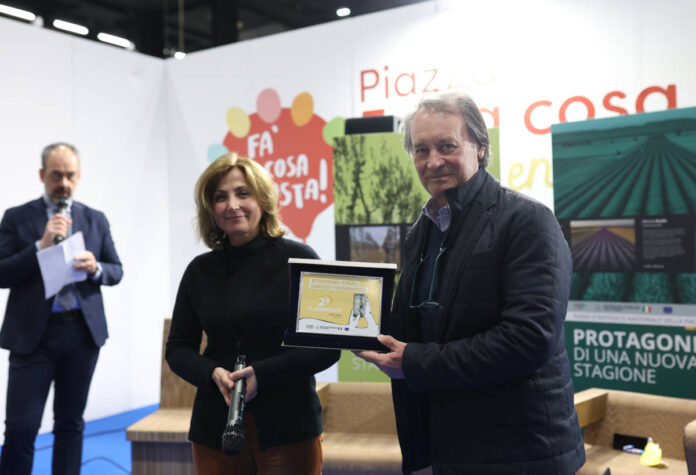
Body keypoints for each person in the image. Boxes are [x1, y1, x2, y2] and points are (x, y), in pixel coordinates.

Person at [356, 92, 586, 474]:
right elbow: (423, 325)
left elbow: (529, 339)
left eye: (446, 146)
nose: (433, 161)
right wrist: (349, 327)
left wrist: (414, 362)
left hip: (519, 454)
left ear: (480, 147)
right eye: (421, 150)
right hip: (446, 446)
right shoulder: (421, 231)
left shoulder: (527, 221)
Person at [166, 153, 340, 475]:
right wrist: (212, 373)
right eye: (221, 197)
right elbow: (177, 349)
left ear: (262, 198)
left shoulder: (301, 259)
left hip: (289, 426)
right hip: (215, 429)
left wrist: (263, 373)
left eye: (243, 193)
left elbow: (326, 348)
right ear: (211, 209)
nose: (232, 205)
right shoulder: (199, 271)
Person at [0, 142, 123, 475]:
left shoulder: (95, 219)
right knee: (21, 428)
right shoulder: (16, 217)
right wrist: (39, 247)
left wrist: (96, 268)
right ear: (42, 175)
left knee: (70, 424)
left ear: (79, 176)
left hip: (81, 335)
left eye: (70, 175)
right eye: (56, 175)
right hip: (32, 338)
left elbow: (116, 270)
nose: (63, 183)